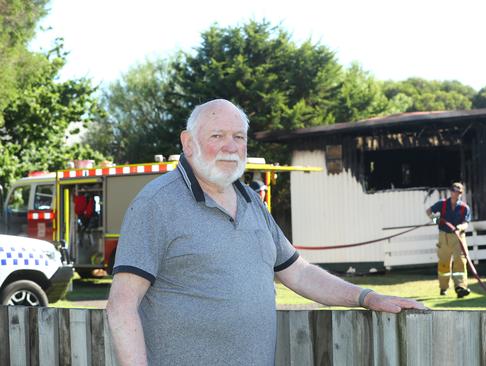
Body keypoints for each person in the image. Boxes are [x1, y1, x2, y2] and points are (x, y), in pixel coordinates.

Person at [106, 99, 426, 366]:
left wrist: (367, 297)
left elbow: (298, 273)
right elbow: (121, 305)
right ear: (188, 143)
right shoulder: (156, 204)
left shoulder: (251, 202)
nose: (230, 147)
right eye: (217, 136)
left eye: (239, 137)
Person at [425, 182, 472, 298]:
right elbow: (429, 211)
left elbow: (466, 223)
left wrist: (460, 227)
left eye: (458, 191)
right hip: (444, 235)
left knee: (460, 262)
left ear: (461, 193)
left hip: (458, 237)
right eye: (453, 190)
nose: (455, 193)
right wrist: (436, 220)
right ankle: (443, 287)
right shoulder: (442, 204)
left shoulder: (464, 208)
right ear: (451, 191)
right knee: (444, 262)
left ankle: (460, 287)